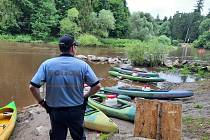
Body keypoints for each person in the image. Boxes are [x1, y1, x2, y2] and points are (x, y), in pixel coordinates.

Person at [29, 34, 101, 140]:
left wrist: (41, 102)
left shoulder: (47, 64)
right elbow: (97, 86)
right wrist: (85, 96)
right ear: (72, 47)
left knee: (57, 137)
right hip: (76, 110)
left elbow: (33, 87)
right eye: (75, 46)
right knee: (79, 137)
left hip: (55, 111)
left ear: (60, 48)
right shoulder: (83, 65)